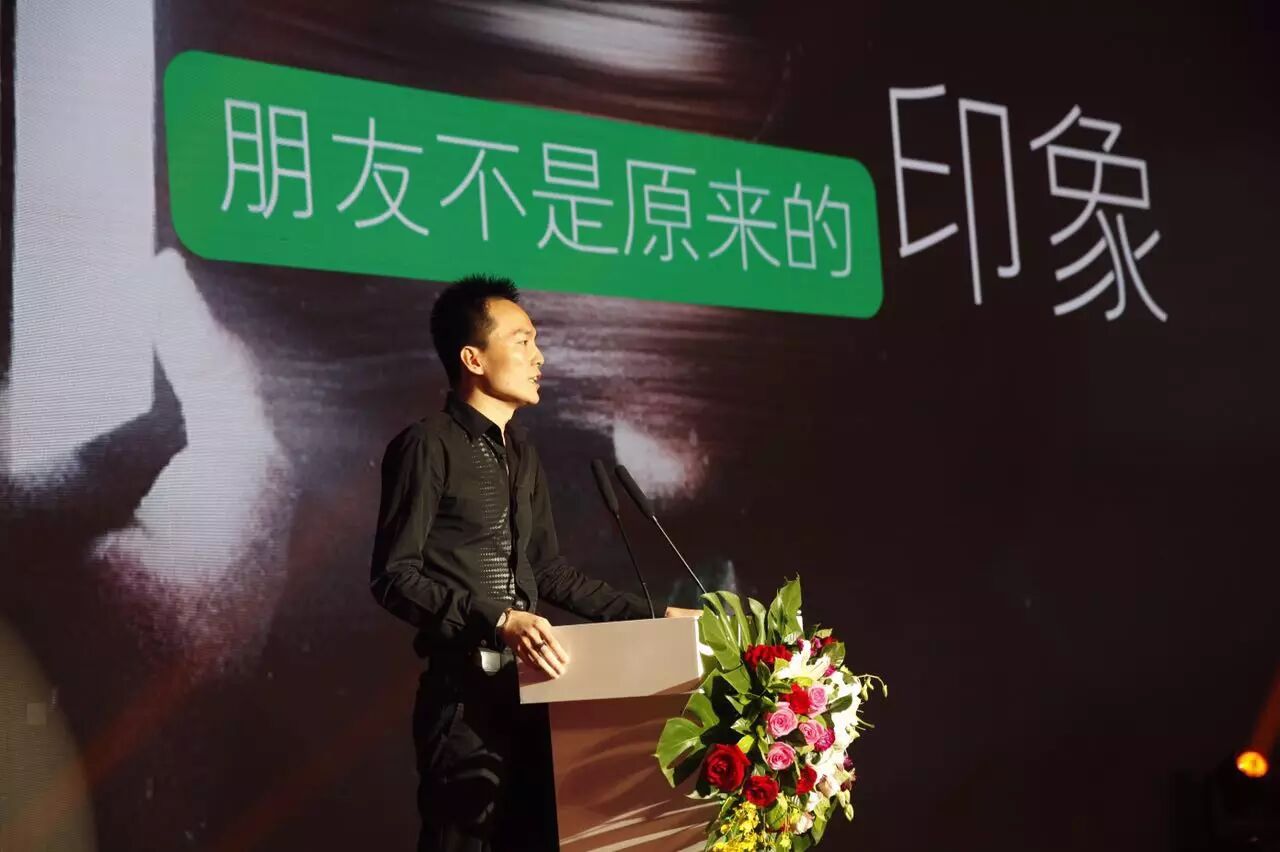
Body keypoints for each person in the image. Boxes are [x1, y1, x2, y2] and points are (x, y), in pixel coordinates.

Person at [370, 275, 697, 851]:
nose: (539, 356)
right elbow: (395, 577)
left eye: (536, 341)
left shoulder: (521, 454)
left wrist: (653, 618)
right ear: (473, 358)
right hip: (464, 699)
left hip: (534, 694)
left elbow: (548, 573)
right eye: (522, 341)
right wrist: (498, 619)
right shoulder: (427, 445)